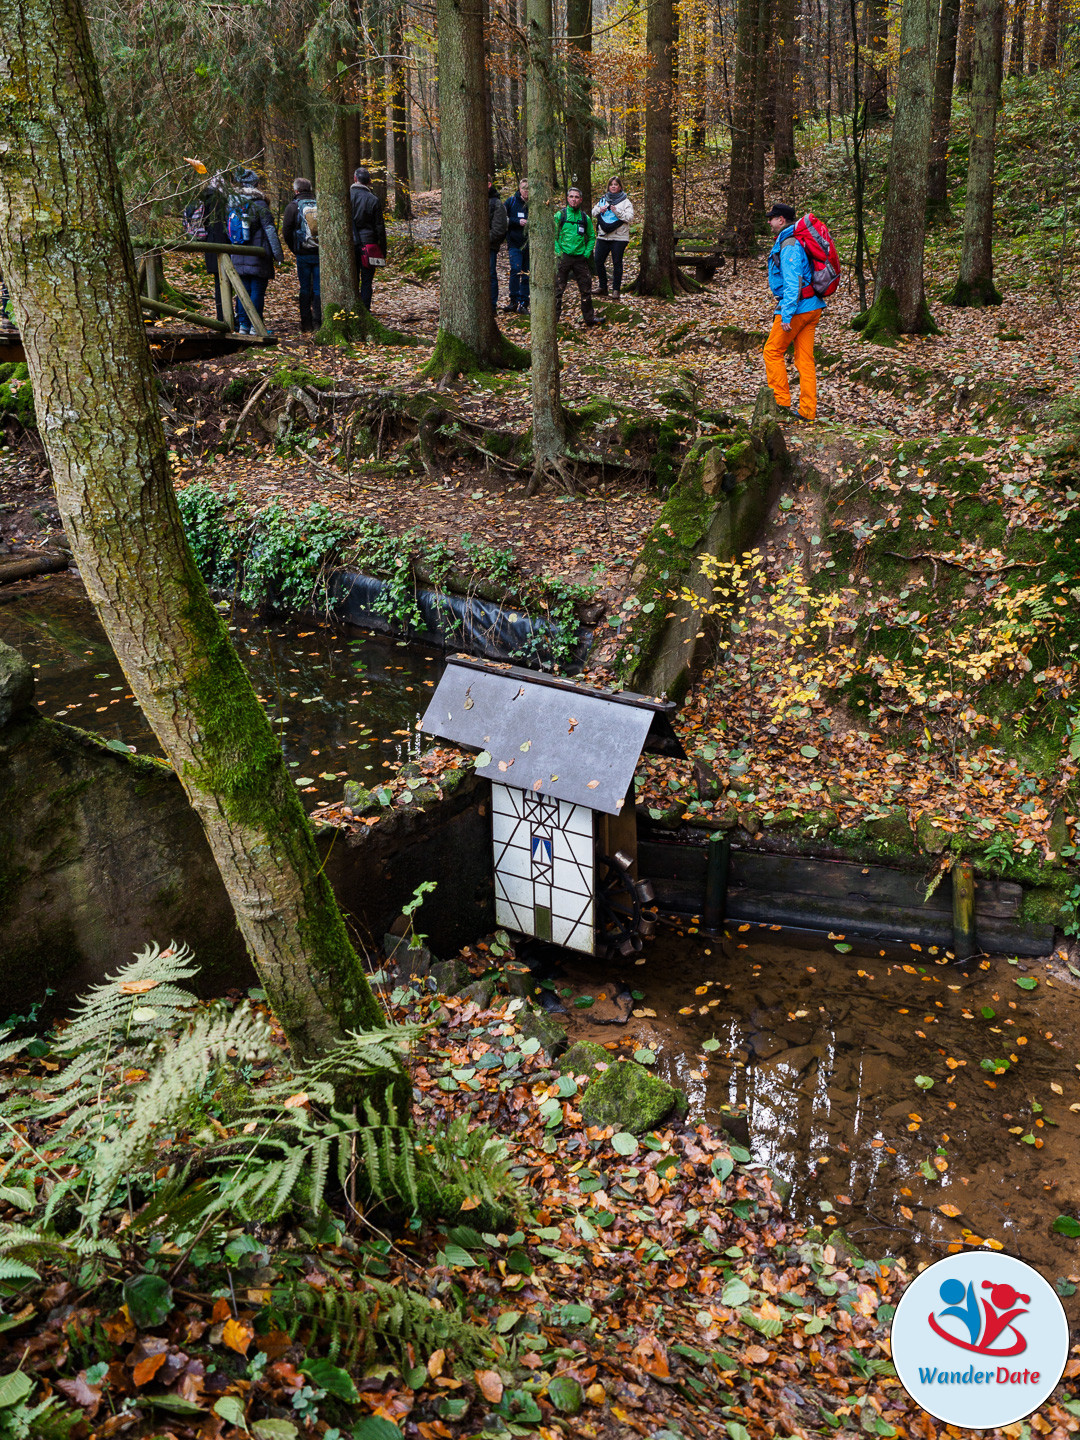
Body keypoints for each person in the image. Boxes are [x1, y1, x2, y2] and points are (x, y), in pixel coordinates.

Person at [763, 202, 825, 422]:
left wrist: (786, 314)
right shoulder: (796, 240)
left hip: (798, 308)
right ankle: (808, 411)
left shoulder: (789, 244)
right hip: (813, 307)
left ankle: (780, 403)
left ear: (781, 220)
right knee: (805, 360)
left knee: (772, 351)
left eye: (772, 218)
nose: (769, 222)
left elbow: (793, 282)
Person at [226, 168, 284, 334]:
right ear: (256, 184)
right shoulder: (260, 204)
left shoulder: (232, 203)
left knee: (242, 291)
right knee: (257, 291)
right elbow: (270, 231)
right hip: (258, 255)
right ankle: (255, 327)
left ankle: (243, 325)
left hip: (237, 253)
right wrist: (278, 255)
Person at [554, 187, 603, 327]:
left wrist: (587, 254)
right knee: (558, 290)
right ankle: (554, 321)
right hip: (564, 257)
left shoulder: (584, 218)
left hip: (580, 258)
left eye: (576, 197)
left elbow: (592, 237)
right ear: (567, 198)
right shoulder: (560, 215)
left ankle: (589, 319)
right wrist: (559, 252)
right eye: (571, 196)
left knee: (586, 289)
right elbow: (553, 236)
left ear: (580, 200)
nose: (574, 199)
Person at [183, 172, 228, 321]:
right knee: (228, 281)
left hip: (209, 244)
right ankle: (227, 317)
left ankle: (222, 316)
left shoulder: (202, 198)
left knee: (218, 282)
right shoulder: (221, 200)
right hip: (224, 245)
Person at [282, 177, 322, 333]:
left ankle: (306, 323)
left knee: (304, 287)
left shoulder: (292, 207)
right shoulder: (320, 204)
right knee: (318, 289)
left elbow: (286, 231)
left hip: (303, 254)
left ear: (296, 190)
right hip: (319, 252)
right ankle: (318, 321)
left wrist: (295, 248)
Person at [350, 167, 388, 313]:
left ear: (355, 179)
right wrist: (382, 250)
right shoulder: (373, 199)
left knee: (353, 279)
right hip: (369, 245)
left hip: (350, 244)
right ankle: (365, 312)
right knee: (367, 281)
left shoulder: (347, 196)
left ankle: (352, 311)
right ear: (369, 181)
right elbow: (379, 227)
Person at [591, 176, 634, 299]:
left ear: (620, 186)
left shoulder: (626, 201)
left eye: (616, 184)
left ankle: (616, 290)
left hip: (619, 237)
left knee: (617, 263)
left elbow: (630, 218)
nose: (613, 186)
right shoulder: (603, 199)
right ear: (608, 187)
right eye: (611, 184)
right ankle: (603, 287)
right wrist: (600, 209)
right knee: (598, 260)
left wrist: (617, 212)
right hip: (603, 236)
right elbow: (593, 212)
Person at [504, 178, 529, 313]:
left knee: (527, 273)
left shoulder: (533, 204)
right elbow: (502, 217)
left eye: (529, 189)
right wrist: (517, 221)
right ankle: (513, 300)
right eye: (524, 188)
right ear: (519, 189)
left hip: (529, 245)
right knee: (515, 269)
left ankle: (524, 303)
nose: (526, 191)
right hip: (514, 243)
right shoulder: (511, 202)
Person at [488, 181, 508, 310]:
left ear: (489, 184)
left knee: (490, 274)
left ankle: (492, 305)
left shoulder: (496, 204)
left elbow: (499, 230)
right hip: (473, 247)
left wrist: (481, 241)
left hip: (489, 247)